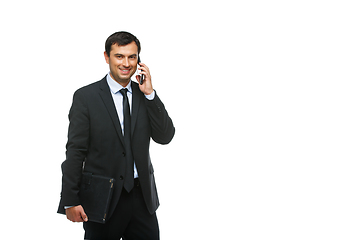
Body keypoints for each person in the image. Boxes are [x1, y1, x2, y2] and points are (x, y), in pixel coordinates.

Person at [57, 31, 175, 240]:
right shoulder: (86, 97)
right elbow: (76, 151)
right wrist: (70, 200)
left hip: (142, 199)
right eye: (119, 56)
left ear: (139, 59)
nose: (126, 63)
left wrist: (150, 94)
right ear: (106, 57)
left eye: (132, 56)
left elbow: (165, 136)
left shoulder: (143, 94)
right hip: (103, 198)